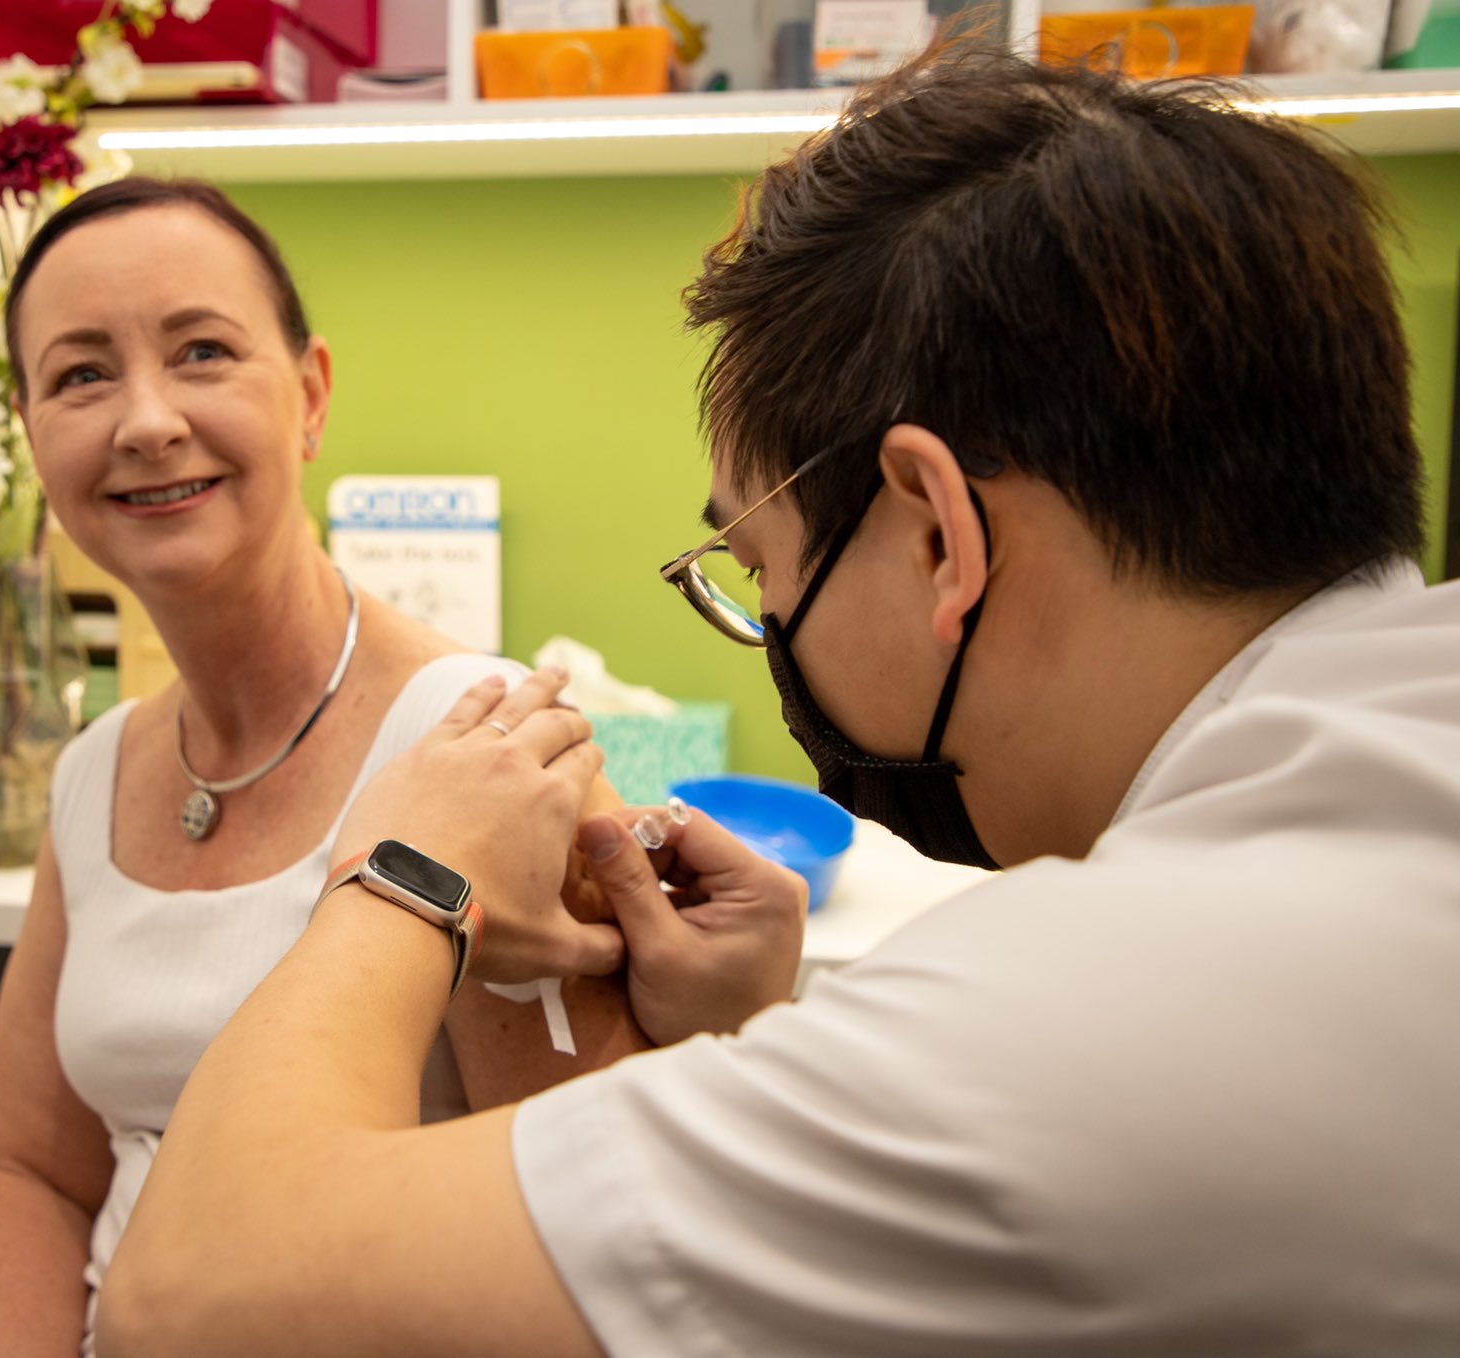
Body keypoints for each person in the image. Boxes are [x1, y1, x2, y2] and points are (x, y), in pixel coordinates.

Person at [92, 45, 1460, 1357]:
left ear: (937, 533)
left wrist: (401, 870)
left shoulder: (1089, 1023)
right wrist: (765, 1039)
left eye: (758, 568)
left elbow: (193, 1295)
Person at [0, 178, 643, 1358]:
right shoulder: (93, 769)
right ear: (28, 432)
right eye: (79, 373)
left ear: (309, 395)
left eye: (201, 350)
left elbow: (574, 1223)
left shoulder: (482, 745)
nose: (145, 420)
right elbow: (26, 1165)